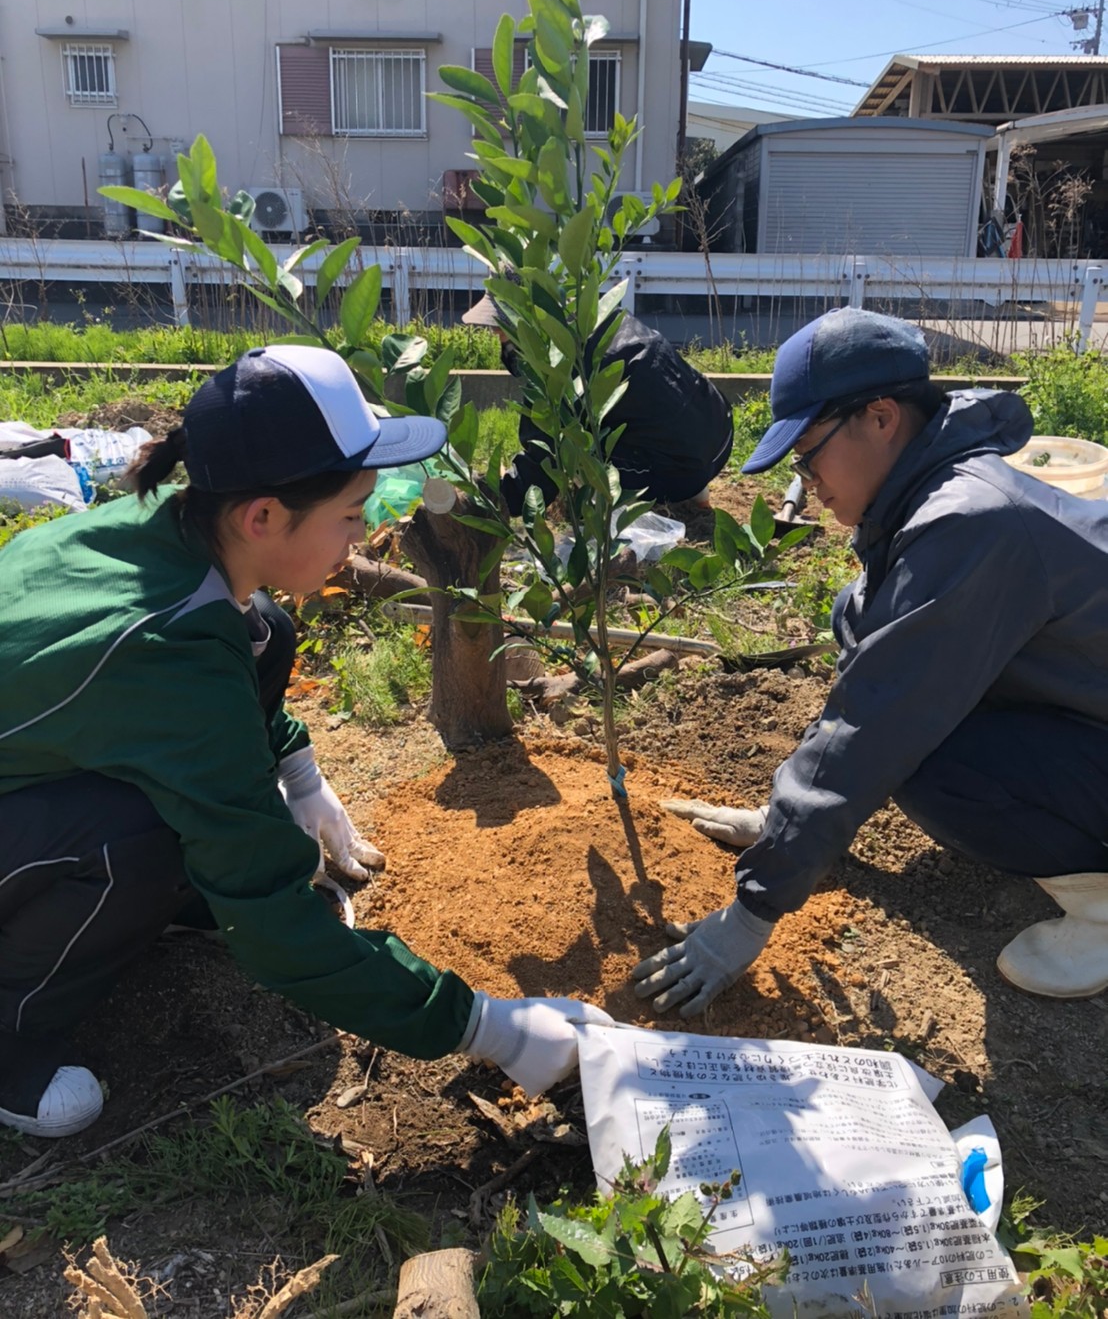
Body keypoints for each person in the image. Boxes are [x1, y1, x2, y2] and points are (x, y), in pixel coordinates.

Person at [0, 344, 610, 1138]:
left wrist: (296, 766)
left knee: (268, 631)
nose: (359, 539)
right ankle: (12, 1048)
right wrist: (485, 1027)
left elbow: (217, 685)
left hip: (35, 773)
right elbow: (276, 928)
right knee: (139, 839)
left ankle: (170, 896)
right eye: (351, 515)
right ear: (262, 516)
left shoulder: (168, 533)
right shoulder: (164, 649)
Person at [631, 307, 1108, 1017]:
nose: (805, 480)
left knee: (925, 756)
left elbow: (875, 724)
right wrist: (784, 821)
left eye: (808, 452)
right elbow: (878, 672)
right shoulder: (933, 499)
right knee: (858, 620)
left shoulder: (970, 523)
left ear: (881, 418)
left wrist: (752, 911)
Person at [462, 287, 735, 517]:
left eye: (502, 325)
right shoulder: (599, 316)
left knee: (574, 450)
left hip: (680, 470)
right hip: (719, 433)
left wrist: (493, 496)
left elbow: (543, 466)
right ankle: (696, 497)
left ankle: (628, 514)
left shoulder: (555, 366)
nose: (496, 334)